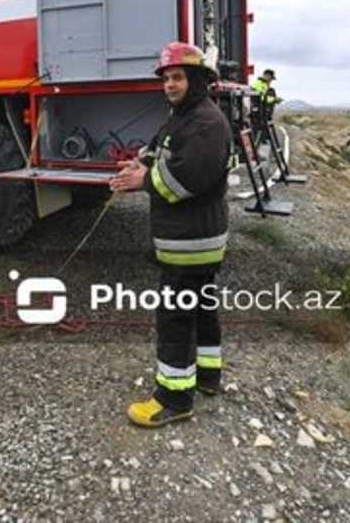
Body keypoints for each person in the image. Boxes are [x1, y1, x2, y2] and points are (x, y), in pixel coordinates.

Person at [110, 41, 233, 427]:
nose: (169, 85)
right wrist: (140, 163)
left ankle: (174, 398)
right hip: (195, 238)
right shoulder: (184, 117)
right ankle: (208, 377)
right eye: (166, 78)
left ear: (196, 80)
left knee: (175, 316)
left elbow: (185, 180)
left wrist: (142, 181)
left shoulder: (205, 123)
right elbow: (161, 149)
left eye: (178, 77)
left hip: (190, 241)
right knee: (201, 306)